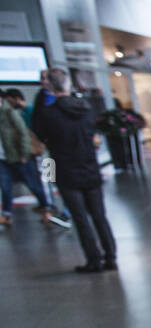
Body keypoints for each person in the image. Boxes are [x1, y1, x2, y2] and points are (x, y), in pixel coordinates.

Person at [31, 68, 116, 272]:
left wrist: (42, 99)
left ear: (49, 86)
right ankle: (110, 257)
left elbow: (39, 133)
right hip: (90, 167)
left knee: (80, 218)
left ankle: (94, 260)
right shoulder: (85, 108)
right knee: (99, 215)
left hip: (67, 170)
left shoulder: (47, 114)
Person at [0, 88, 53, 225]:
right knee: (5, 187)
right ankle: (6, 214)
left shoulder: (9, 112)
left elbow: (23, 133)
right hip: (3, 158)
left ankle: (46, 207)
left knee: (33, 184)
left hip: (18, 156)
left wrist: (24, 153)